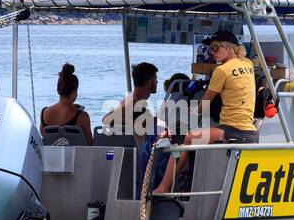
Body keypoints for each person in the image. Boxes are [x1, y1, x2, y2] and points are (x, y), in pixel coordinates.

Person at [153, 30, 256, 193]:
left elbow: (203, 105)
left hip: (232, 131)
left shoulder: (221, 71)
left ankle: (162, 188)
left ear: (228, 47)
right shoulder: (247, 64)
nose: (212, 52)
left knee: (185, 140)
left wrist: (188, 112)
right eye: (210, 49)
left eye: (215, 48)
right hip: (250, 131)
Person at [40, 63, 92, 144]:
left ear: (58, 90)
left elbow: (44, 139)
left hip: (50, 156)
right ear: (74, 92)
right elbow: (90, 144)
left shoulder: (44, 113)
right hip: (74, 156)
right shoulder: (82, 117)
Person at [102, 61, 158, 135]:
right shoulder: (132, 102)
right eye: (155, 78)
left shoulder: (135, 100)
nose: (157, 82)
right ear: (149, 82)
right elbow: (106, 119)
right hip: (133, 145)